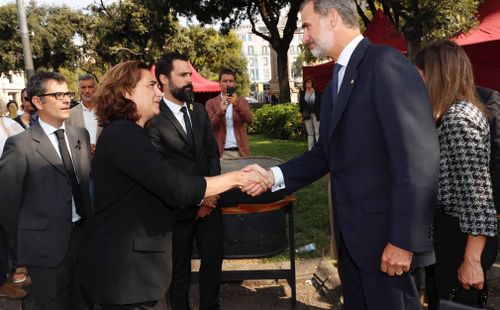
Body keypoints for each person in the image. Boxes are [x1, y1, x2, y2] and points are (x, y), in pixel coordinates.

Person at [245, 1, 440, 309]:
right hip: (353, 242)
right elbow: (326, 152)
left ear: (332, 18)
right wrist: (273, 177)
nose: (304, 37)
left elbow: (420, 160)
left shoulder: (385, 64)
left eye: (307, 26)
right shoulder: (337, 78)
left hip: (387, 243)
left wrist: (404, 240)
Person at [78, 60, 267, 310]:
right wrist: (238, 178)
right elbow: (174, 185)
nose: (158, 92)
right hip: (128, 278)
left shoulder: (128, 133)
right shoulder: (124, 136)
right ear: (126, 92)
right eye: (151, 86)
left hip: (136, 275)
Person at [415, 40, 498, 309]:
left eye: (421, 75)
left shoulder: (458, 119)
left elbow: (479, 198)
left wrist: (472, 260)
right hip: (456, 233)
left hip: (461, 235)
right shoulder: (457, 112)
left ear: (437, 75)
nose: (417, 83)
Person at [0, 71, 93, 310]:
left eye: (67, 94)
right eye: (58, 94)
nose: (66, 100)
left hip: (82, 240)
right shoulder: (20, 145)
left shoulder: (79, 135)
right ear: (37, 101)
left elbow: (83, 184)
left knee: (84, 302)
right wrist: (24, 248)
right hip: (44, 249)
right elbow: (8, 204)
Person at [147, 52, 223, 310]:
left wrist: (211, 195)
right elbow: (162, 170)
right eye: (183, 75)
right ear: (163, 79)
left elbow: (212, 154)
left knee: (212, 265)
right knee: (178, 273)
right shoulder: (152, 119)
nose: (190, 80)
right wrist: (199, 196)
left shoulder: (199, 111)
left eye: (190, 74)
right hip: (176, 210)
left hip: (211, 206)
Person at [205, 69, 252, 159]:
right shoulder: (211, 103)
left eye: (231, 81)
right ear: (219, 83)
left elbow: (249, 119)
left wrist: (237, 104)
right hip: (221, 153)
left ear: (234, 83)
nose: (228, 84)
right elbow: (209, 127)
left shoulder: (242, 101)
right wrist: (220, 111)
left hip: (240, 152)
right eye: (225, 81)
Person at [66, 74, 102, 156]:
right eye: (83, 87)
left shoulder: (105, 111)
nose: (87, 91)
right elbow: (68, 139)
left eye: (90, 87)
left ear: (96, 88)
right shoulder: (70, 114)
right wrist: (84, 147)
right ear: (78, 89)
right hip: (81, 161)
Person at [299, 77, 322, 150]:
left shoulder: (318, 93)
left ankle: (318, 149)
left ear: (312, 83)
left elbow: (320, 105)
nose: (308, 83)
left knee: (317, 132)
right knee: (310, 133)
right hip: (306, 115)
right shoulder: (302, 93)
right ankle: (311, 149)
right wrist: (301, 115)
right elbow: (301, 105)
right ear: (305, 84)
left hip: (316, 115)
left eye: (310, 82)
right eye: (307, 82)